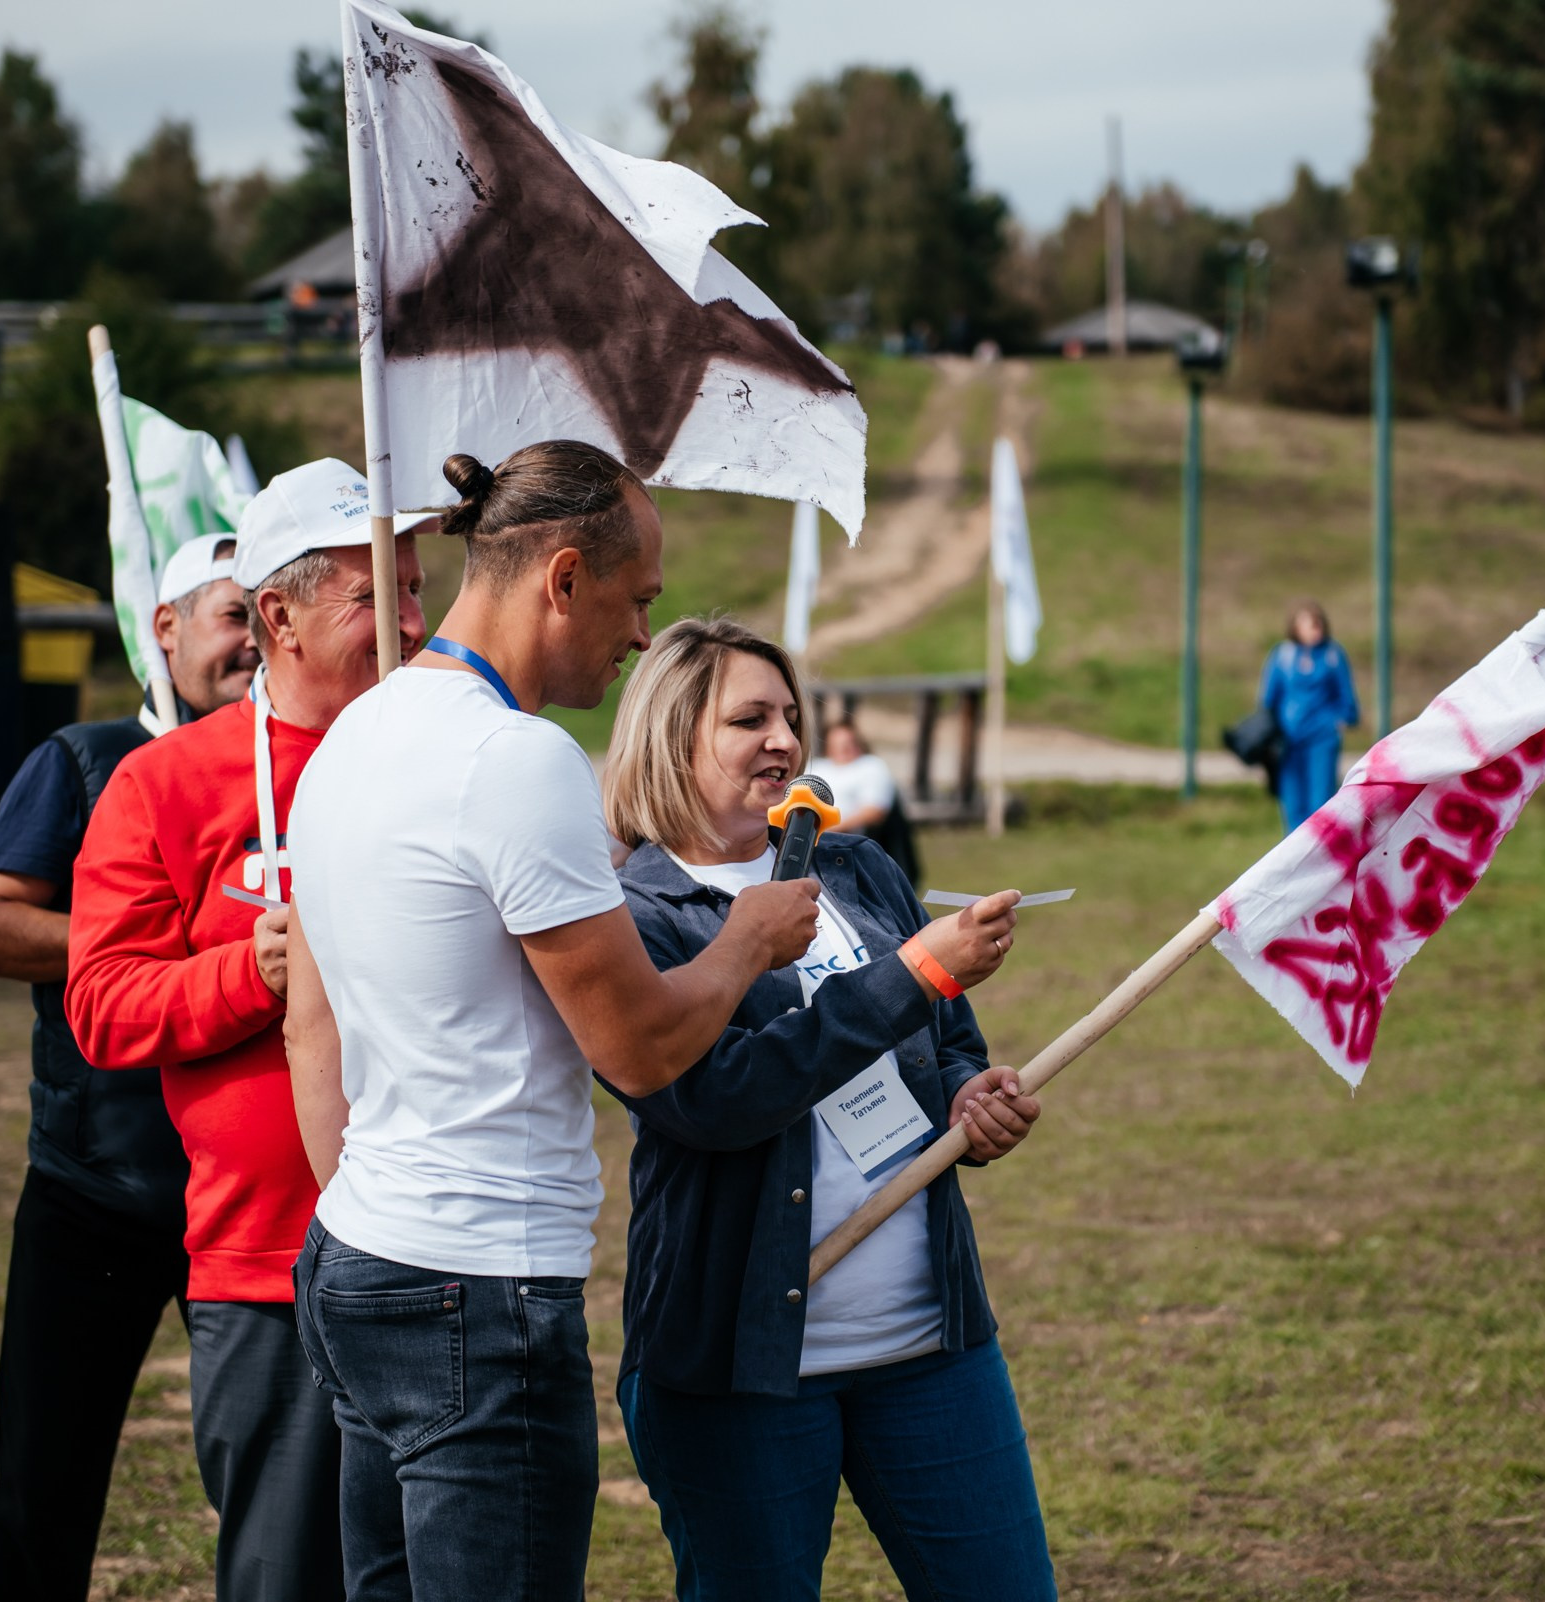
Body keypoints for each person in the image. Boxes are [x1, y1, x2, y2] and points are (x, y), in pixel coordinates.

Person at [281, 444, 824, 1601]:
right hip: (475, 1290)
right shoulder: (519, 761)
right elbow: (640, 1046)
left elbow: (310, 1031)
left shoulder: (349, 738)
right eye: (637, 602)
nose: (641, 640)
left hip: (357, 1254)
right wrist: (749, 940)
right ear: (563, 578)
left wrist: (372, 1215)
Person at [599, 615, 1051, 1602]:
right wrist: (912, 973)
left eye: (791, 717)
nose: (785, 742)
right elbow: (715, 1097)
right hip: (735, 1372)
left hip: (932, 1348)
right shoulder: (633, 916)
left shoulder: (855, 868)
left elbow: (948, 1043)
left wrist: (970, 1099)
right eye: (749, 719)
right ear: (673, 736)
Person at [65, 463, 424, 1602]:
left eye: (419, 589)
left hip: (445, 1262)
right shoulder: (166, 784)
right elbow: (101, 1005)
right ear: (279, 615)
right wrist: (250, 972)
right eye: (379, 596)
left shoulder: (444, 760)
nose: (414, 622)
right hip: (271, 1273)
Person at [0, 533, 257, 1602]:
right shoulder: (84, 761)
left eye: (268, 616)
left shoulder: (299, 771)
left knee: (276, 1491)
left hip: (256, 1207)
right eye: (232, 618)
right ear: (164, 630)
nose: (255, 645)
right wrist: (163, 944)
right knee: (45, 1486)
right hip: (99, 1189)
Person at [1260, 601, 1360, 832]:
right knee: (1293, 806)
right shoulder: (1283, 656)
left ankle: (1320, 857)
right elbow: (1268, 700)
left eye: (1317, 624)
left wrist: (1337, 721)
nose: (1314, 629)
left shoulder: (1333, 655)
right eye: (1307, 624)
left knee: (1320, 804)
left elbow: (1347, 698)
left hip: (1321, 740)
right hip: (1288, 741)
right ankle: (1295, 860)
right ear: (1295, 628)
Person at [807, 716, 918, 885]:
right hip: (811, 840)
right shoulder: (815, 767)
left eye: (848, 743)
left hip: (850, 844)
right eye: (838, 743)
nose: (843, 748)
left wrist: (828, 829)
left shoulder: (871, 766)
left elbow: (875, 811)